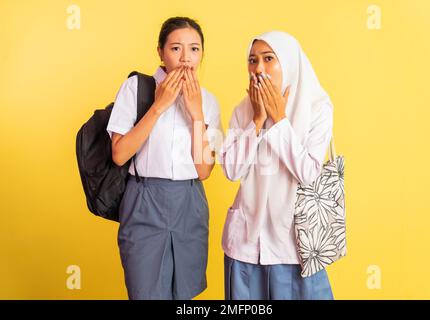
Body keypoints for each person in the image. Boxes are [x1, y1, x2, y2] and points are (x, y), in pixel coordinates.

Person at [106, 16, 223, 300]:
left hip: (189, 201)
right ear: (160, 51)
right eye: (176, 48)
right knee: (145, 292)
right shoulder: (136, 88)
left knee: (185, 293)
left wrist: (196, 114)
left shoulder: (208, 101)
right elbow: (120, 154)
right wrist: (159, 106)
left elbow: (204, 169)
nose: (186, 58)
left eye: (194, 49)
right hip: (144, 199)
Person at [219, 31, 334, 300]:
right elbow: (232, 170)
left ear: (289, 62)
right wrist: (258, 120)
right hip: (246, 246)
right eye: (252, 60)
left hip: (295, 247)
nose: (258, 68)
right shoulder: (243, 109)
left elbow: (308, 173)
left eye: (269, 59)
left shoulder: (318, 108)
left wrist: (279, 120)